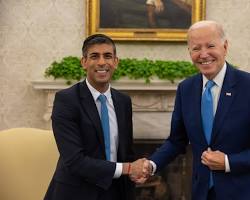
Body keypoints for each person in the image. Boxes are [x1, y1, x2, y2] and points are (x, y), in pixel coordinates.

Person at [137, 20, 250, 200]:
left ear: (225, 47)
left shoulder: (247, 86)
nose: (204, 54)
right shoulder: (186, 89)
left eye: (210, 45)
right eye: (196, 48)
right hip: (201, 192)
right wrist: (151, 165)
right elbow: (176, 140)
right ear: (189, 52)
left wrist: (228, 162)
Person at [44, 34, 149, 200]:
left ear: (116, 62)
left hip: (117, 191)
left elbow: (126, 152)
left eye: (107, 56)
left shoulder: (123, 101)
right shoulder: (66, 100)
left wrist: (137, 173)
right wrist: (129, 168)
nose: (102, 62)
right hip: (77, 192)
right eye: (94, 56)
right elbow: (75, 161)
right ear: (84, 62)